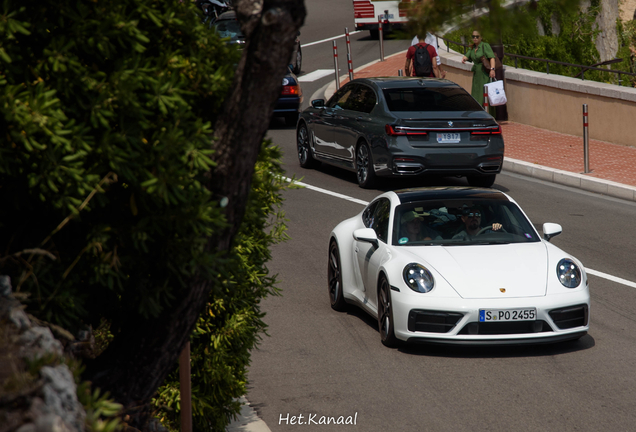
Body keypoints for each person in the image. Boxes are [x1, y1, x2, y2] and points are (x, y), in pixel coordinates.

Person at [461, 30, 497, 110]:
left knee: (483, 93)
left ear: (481, 37)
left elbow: (492, 58)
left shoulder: (485, 45)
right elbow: (468, 55)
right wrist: (464, 59)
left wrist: (492, 69)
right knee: (476, 93)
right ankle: (476, 111)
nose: (475, 38)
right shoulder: (472, 47)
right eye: (473, 36)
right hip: (476, 73)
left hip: (484, 73)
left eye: (477, 37)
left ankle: (485, 112)